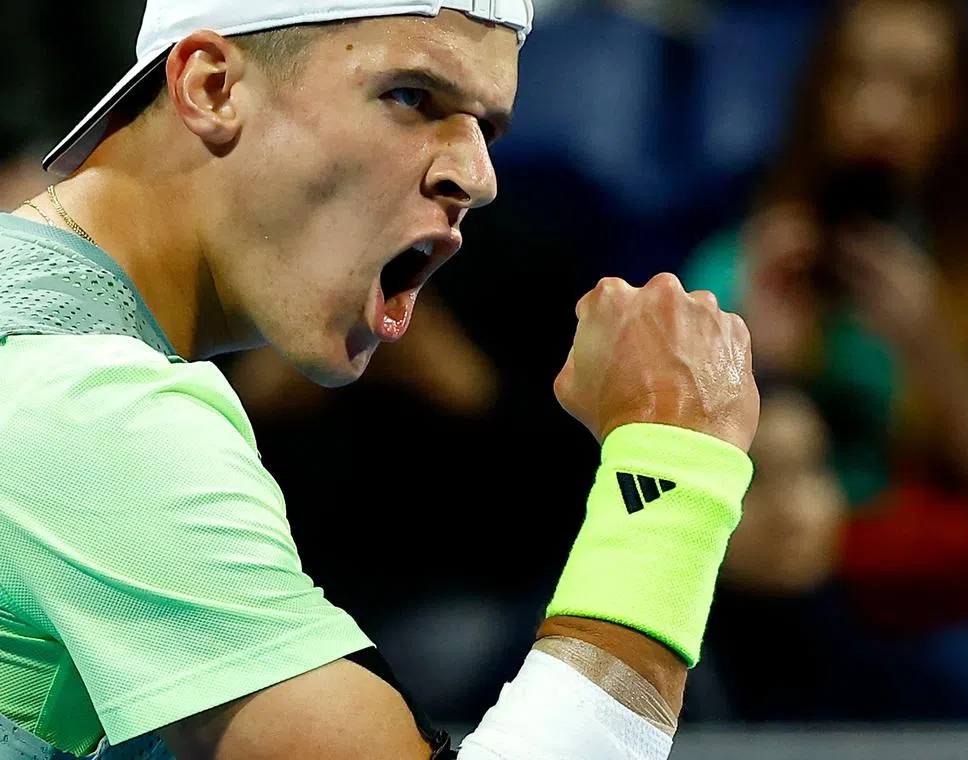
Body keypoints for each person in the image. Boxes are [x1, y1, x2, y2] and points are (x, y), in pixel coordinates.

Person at [0, 1, 761, 759]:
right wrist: (672, 466)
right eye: (411, 97)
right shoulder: (93, 405)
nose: (478, 178)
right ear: (211, 87)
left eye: (487, 130)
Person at [685, 0, 968, 721]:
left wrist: (933, 351)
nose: (881, 113)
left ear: (963, 112)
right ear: (818, 97)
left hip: (948, 613)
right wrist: (764, 360)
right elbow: (669, 506)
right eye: (856, 77)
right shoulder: (737, 273)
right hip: (769, 611)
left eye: (920, 88)